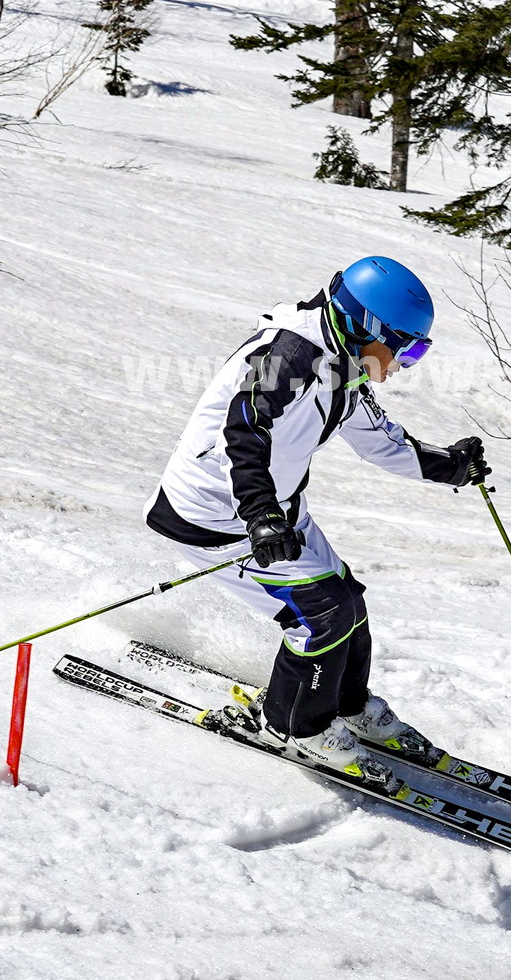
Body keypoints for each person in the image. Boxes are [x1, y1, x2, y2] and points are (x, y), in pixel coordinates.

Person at [144, 255, 489, 784]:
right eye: (407, 348)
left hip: (277, 511)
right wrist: (259, 513)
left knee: (348, 598)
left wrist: (452, 466)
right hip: (218, 516)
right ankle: (292, 727)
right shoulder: (286, 356)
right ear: (366, 326)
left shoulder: (344, 367)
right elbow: (244, 430)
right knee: (318, 615)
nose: (404, 363)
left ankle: (348, 708)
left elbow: (381, 441)